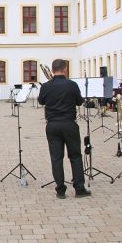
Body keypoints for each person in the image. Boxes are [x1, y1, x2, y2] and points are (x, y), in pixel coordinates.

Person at [38, 59, 90, 198]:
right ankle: (79, 189)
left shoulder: (46, 86)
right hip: (69, 123)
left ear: (53, 70)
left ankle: (60, 190)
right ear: (65, 69)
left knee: (56, 158)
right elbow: (80, 101)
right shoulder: (71, 84)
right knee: (75, 156)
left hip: (53, 125)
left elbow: (41, 101)